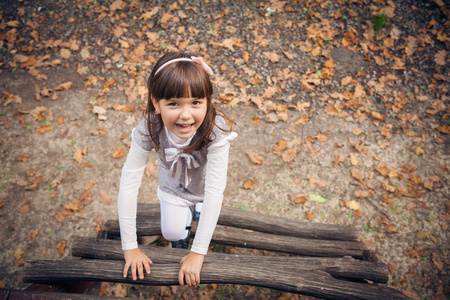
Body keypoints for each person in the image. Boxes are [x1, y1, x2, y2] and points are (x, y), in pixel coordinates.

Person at [117, 52, 237, 287]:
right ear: (156, 102)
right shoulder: (150, 127)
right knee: (170, 233)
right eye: (173, 103)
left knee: (205, 202)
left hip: (203, 187)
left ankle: (197, 207)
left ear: (207, 101)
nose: (185, 114)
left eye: (196, 102)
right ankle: (184, 226)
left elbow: (215, 191)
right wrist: (130, 247)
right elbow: (129, 185)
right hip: (174, 186)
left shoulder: (216, 130)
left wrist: (198, 252)